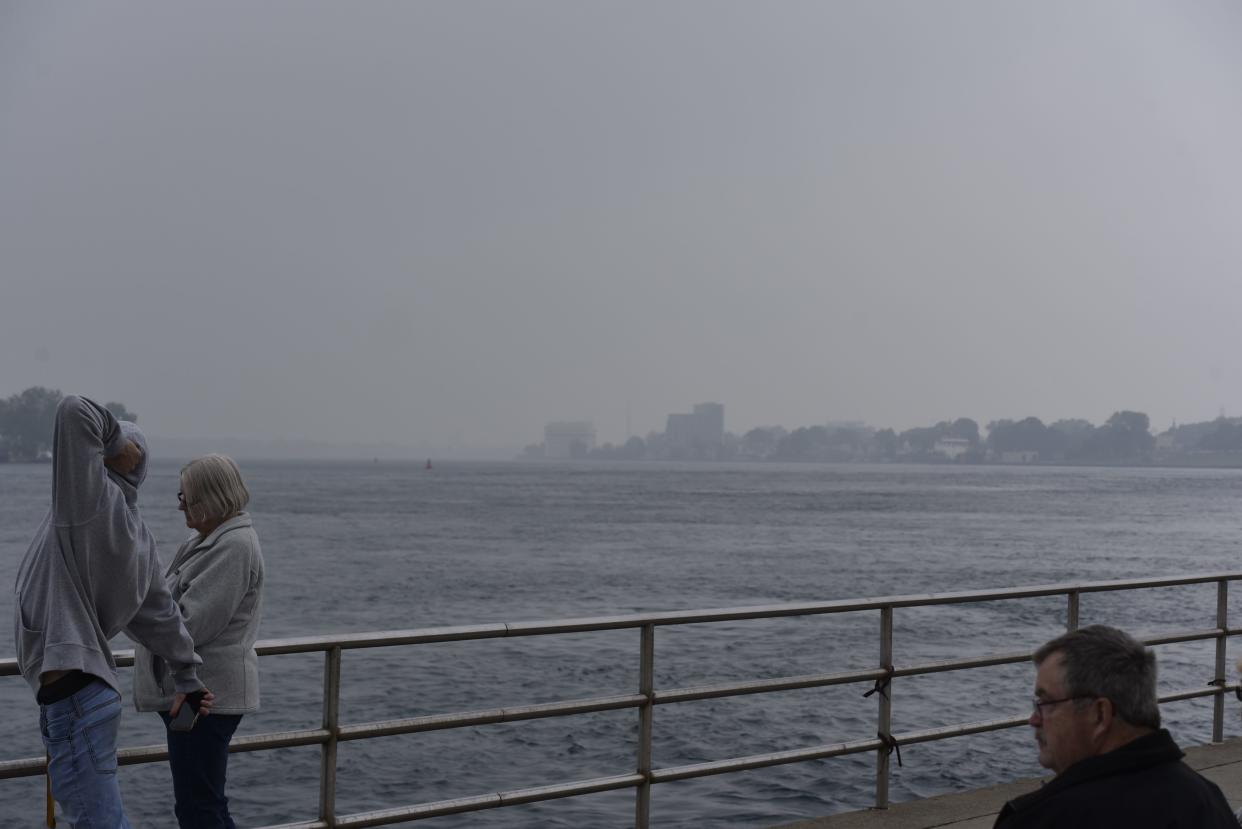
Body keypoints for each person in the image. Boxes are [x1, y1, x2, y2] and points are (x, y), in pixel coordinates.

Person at [14, 395, 212, 827]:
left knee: (97, 821)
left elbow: (73, 411)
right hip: (90, 694)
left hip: (73, 695)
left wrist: (116, 443)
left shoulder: (88, 504)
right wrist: (187, 677)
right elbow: (162, 617)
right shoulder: (138, 536)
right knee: (99, 816)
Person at [994, 624, 1236, 828]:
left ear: (1100, 715)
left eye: (1046, 703)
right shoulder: (1208, 802)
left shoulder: (1042, 819)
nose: (1034, 719)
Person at [134, 454, 264, 829]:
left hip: (205, 698)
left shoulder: (234, 546)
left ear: (212, 497)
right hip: (196, 695)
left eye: (186, 497)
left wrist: (135, 610)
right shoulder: (207, 538)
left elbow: (190, 623)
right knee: (201, 803)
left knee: (198, 807)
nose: (179, 505)